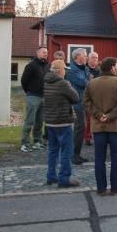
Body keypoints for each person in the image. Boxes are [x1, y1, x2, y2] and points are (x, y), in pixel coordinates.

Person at [84, 57, 117, 195]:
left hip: (98, 126)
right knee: (116, 157)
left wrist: (99, 115)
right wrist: (111, 115)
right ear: (111, 68)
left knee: (99, 157)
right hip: (115, 125)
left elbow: (86, 102)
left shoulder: (91, 83)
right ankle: (115, 187)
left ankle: (101, 188)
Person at [43, 60, 80, 188]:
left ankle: (51, 176)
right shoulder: (63, 83)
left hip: (50, 122)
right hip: (63, 122)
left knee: (53, 151)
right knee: (66, 151)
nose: (65, 72)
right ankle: (64, 178)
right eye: (64, 70)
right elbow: (76, 98)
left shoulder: (47, 82)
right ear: (59, 71)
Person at [20, 46, 49, 152]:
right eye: (43, 52)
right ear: (38, 53)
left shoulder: (47, 66)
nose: (46, 54)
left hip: (43, 97)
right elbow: (24, 81)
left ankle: (37, 141)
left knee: (40, 121)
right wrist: (29, 92)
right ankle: (25, 143)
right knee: (29, 121)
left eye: (46, 52)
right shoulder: (31, 65)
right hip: (33, 96)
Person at [66, 48, 90, 165]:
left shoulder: (85, 69)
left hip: (84, 103)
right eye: (85, 55)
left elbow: (89, 82)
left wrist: (88, 80)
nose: (87, 57)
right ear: (77, 57)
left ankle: (77, 154)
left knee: (82, 129)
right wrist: (88, 80)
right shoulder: (71, 70)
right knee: (80, 129)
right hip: (76, 104)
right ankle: (73, 155)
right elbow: (84, 83)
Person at [84, 51, 101, 146]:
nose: (95, 59)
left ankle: (96, 136)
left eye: (96, 58)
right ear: (88, 59)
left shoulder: (99, 71)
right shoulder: (85, 70)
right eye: (93, 57)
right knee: (88, 118)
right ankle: (87, 137)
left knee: (97, 117)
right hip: (88, 97)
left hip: (98, 97)